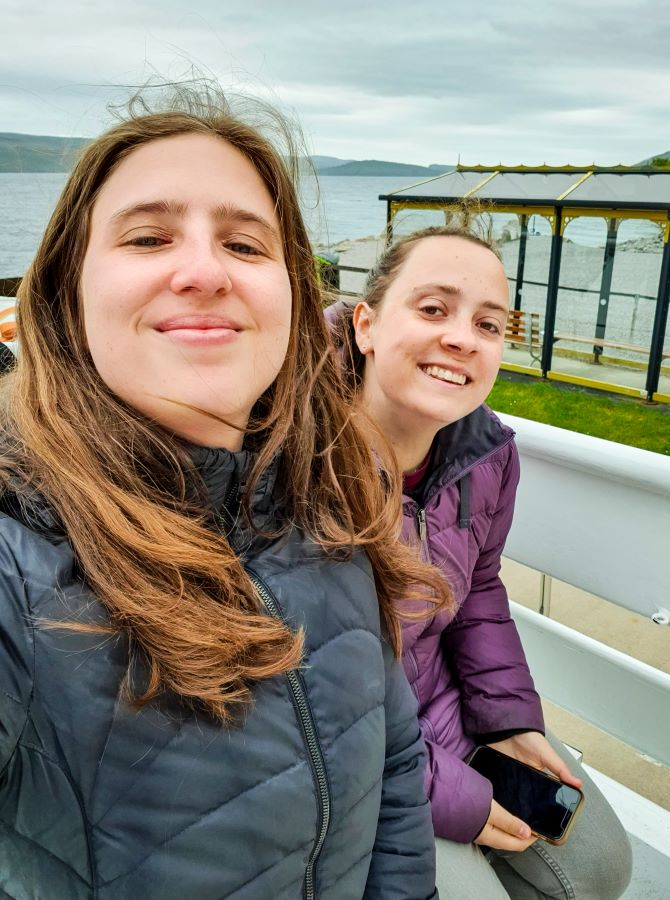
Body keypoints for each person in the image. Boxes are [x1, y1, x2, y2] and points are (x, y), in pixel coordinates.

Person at [0, 93, 453, 899]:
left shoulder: (330, 498)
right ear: (69, 292)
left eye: (245, 244)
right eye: (148, 237)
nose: (204, 272)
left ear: (290, 296)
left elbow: (394, 760)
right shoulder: (18, 545)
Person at [328, 225, 633, 900]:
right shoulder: (300, 460)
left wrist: (510, 719)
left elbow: (480, 591)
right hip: (352, 750)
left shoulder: (487, 456)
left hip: (449, 710)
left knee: (602, 869)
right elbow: (309, 689)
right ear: (367, 324)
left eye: (488, 324)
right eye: (433, 309)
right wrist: (445, 788)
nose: (463, 338)